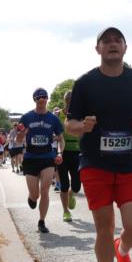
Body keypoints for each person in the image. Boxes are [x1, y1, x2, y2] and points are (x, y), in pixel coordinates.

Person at [65, 27, 132, 262]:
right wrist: (82, 126)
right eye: (107, 41)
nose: (113, 44)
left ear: (126, 48)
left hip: (130, 164)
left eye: (118, 40)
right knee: (104, 229)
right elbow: (70, 123)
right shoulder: (85, 83)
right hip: (95, 165)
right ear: (98, 49)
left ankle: (123, 249)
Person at [17, 89, 65, 234]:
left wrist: (60, 153)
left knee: (45, 190)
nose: (41, 100)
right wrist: (21, 134)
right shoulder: (26, 118)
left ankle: (42, 221)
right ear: (34, 100)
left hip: (47, 158)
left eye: (44, 97)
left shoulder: (53, 119)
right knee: (35, 195)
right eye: (38, 98)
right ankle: (31, 197)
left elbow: (61, 139)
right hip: (31, 158)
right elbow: (17, 140)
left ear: (47, 99)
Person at [57, 90, 82, 223]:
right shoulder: (58, 115)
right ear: (65, 101)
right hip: (63, 152)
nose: (70, 103)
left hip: (77, 152)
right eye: (68, 101)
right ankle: (65, 211)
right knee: (64, 184)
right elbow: (53, 132)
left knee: (77, 185)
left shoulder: (79, 115)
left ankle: (72, 194)